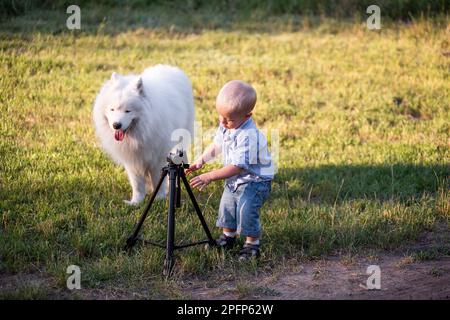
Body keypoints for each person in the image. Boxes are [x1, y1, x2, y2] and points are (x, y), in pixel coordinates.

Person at [186, 80, 274, 260]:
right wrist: (201, 160)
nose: (224, 122)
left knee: (246, 210)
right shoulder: (228, 125)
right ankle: (228, 237)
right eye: (221, 116)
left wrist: (210, 176)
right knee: (227, 206)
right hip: (235, 180)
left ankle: (252, 244)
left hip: (255, 182)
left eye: (230, 119)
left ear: (247, 116)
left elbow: (238, 167)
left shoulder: (249, 137)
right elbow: (217, 144)